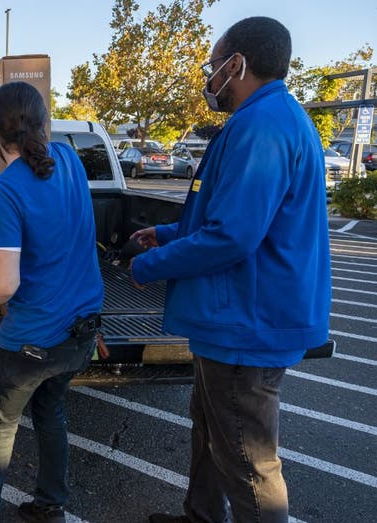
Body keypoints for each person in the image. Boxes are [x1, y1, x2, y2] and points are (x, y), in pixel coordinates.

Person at [129, 17, 331, 523]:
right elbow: (236, 217)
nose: (209, 78)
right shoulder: (271, 118)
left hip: (249, 323)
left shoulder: (262, 126)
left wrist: (149, 266)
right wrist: (171, 234)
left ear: (236, 64)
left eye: (214, 65)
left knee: (247, 460)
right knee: (211, 428)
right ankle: (201, 516)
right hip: (238, 319)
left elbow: (234, 237)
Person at [0, 82, 104, 523]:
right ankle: (51, 505)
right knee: (52, 412)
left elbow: (5, 284)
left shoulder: (5, 190)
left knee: (1, 425)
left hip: (31, 341)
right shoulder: (70, 160)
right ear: (45, 124)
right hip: (80, 332)